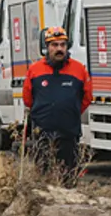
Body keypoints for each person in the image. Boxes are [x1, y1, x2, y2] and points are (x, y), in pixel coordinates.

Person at [23, 26, 93, 185]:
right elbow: (28, 98)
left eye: (62, 45)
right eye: (54, 45)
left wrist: (71, 111)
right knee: (43, 175)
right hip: (42, 130)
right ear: (47, 47)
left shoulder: (79, 69)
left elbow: (87, 97)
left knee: (68, 174)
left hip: (68, 131)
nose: (59, 49)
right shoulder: (35, 70)